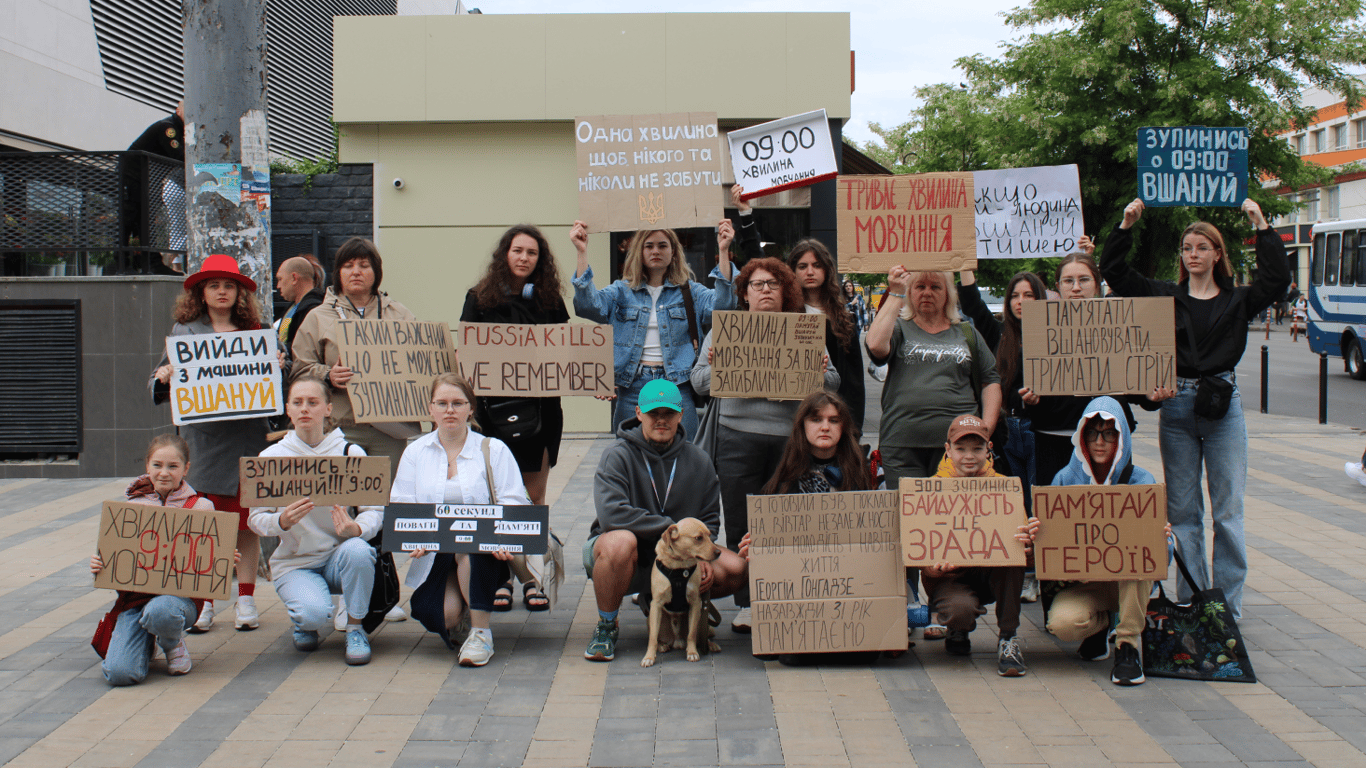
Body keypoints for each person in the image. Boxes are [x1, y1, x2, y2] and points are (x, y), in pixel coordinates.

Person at [1100, 197, 1289, 621]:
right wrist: (1125, 227)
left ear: (1217, 254)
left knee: (1227, 511)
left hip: (1224, 407)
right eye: (1188, 248)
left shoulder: (1239, 300)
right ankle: (1190, 599)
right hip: (1179, 408)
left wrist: (1261, 225)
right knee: (1183, 513)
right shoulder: (1167, 295)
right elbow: (1116, 274)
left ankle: (1225, 606)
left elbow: (1276, 279)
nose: (1194, 254)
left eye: (1202, 247)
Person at [690, 257, 839, 633]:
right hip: (735, 436)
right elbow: (698, 383)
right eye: (757, 284)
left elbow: (833, 385)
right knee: (741, 519)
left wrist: (820, 370)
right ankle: (749, 602)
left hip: (788, 440)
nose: (766, 290)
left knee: (786, 520)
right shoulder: (727, 329)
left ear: (785, 290)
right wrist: (719, 365)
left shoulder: (804, 329)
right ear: (745, 292)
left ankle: (784, 594)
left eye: (773, 283)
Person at [582, 379, 748, 662]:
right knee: (620, 543)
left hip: (680, 557)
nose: (661, 420)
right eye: (653, 414)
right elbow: (612, 515)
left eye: (669, 414)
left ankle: (666, 601)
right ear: (638, 413)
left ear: (681, 415)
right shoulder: (616, 455)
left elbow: (709, 518)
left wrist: (700, 555)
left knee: (735, 568)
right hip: (630, 554)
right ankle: (607, 625)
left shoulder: (699, 459)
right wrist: (671, 530)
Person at [150, 254, 268, 632]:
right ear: (202, 292)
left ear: (239, 293)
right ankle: (205, 602)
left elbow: (277, 388)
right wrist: (165, 375)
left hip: (248, 439)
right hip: (203, 443)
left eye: (229, 285)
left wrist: (277, 366)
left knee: (247, 523)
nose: (222, 292)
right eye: (214, 285)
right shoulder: (183, 332)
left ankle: (246, 598)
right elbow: (155, 382)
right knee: (206, 524)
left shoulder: (256, 332)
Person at [1020, 396, 1168, 685]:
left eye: (1109, 433)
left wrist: (1163, 541)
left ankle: (1128, 647)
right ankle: (1099, 628)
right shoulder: (1064, 479)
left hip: (1128, 585)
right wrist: (1039, 533)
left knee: (1137, 563)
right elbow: (1050, 547)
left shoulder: (1142, 481)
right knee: (1062, 624)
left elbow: (1159, 557)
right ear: (1081, 437)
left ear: (1121, 437)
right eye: (1092, 432)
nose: (1100, 441)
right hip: (1086, 582)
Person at [461, 224, 569, 611]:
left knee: (534, 499)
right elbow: (467, 355)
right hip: (494, 414)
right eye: (518, 250)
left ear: (541, 261)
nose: (524, 258)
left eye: (532, 253)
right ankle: (502, 577)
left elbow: (567, 353)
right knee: (495, 498)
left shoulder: (551, 300)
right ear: (505, 254)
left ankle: (534, 579)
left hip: (541, 414)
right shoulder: (479, 298)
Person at [394, 373, 528, 666]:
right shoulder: (415, 452)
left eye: (457, 403)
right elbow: (402, 504)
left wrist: (504, 537)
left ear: (471, 408)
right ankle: (463, 614)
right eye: (441, 403)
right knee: (442, 616)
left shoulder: (494, 449)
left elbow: (514, 501)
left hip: (485, 551)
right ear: (431, 409)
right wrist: (413, 537)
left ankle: (482, 633)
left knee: (470, 548)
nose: (449, 410)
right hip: (434, 551)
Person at [247, 377, 381, 665]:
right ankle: (305, 622)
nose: (305, 409)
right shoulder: (271, 458)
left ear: (328, 408)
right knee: (313, 615)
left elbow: (375, 510)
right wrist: (280, 522)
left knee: (359, 550)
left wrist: (357, 528)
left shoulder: (350, 454)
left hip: (339, 556)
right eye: (298, 403)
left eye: (313, 402)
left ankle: (356, 628)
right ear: (288, 410)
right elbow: (255, 519)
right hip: (295, 561)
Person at [1018, 253, 1167, 503]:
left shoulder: (1120, 327)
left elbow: (1137, 387)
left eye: (1083, 280)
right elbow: (1022, 388)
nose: (1076, 288)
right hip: (1053, 441)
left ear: (1097, 285)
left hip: (1107, 443)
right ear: (1058, 287)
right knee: (1058, 518)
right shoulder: (1039, 329)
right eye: (1068, 281)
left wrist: (1153, 397)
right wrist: (1030, 400)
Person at [571, 221, 737, 439]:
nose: (655, 251)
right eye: (649, 246)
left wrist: (723, 250)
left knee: (684, 456)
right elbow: (587, 306)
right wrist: (581, 252)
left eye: (662, 245)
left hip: (677, 384)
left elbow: (723, 306)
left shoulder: (690, 292)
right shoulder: (621, 291)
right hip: (632, 388)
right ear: (639, 251)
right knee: (630, 459)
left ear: (674, 252)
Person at [90, 434, 211, 685]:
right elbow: (121, 565)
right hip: (135, 600)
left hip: (178, 602)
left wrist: (219, 560)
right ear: (147, 466)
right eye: (157, 465)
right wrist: (102, 565)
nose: (164, 473)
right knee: (119, 674)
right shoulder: (131, 507)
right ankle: (145, 643)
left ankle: (172, 642)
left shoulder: (201, 508)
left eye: (173, 466)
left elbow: (207, 566)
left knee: (161, 611)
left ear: (186, 469)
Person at [290, 237, 418, 476]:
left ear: (376, 272)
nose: (356, 272)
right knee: (341, 501)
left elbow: (418, 365)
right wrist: (327, 375)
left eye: (364, 265)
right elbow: (298, 369)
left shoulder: (400, 314)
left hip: (389, 430)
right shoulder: (318, 317)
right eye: (348, 266)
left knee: (387, 501)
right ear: (338, 272)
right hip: (340, 427)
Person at [866, 267, 1002, 484]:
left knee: (954, 515)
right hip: (902, 445)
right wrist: (896, 292)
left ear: (948, 293)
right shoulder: (900, 329)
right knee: (910, 515)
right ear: (911, 292)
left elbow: (990, 380)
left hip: (959, 449)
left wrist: (985, 428)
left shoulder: (966, 332)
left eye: (935, 287)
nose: (927, 293)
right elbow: (875, 346)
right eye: (920, 286)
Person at [918, 414, 1028, 676]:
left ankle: (1008, 638)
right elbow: (919, 552)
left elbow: (1021, 542)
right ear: (948, 450)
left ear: (989, 449)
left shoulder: (1004, 489)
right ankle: (958, 628)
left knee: (1014, 553)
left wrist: (1030, 542)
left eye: (977, 448)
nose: (969, 456)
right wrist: (934, 568)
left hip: (992, 572)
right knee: (960, 611)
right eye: (961, 448)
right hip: (953, 576)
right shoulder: (930, 490)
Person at [788, 240, 867, 433]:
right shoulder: (784, 314)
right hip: (791, 416)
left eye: (816, 265)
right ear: (793, 271)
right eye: (802, 266)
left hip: (831, 416)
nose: (810, 272)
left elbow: (854, 380)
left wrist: (853, 427)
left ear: (827, 269)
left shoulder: (843, 319)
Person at [275, 256, 325, 376]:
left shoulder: (315, 308)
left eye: (280, 279)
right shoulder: (292, 307)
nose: (278, 286)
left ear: (294, 278)